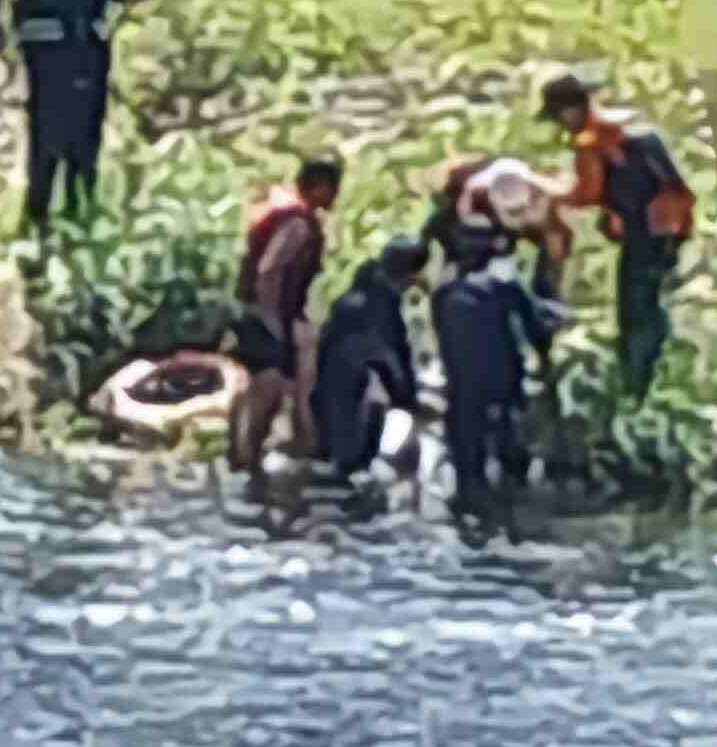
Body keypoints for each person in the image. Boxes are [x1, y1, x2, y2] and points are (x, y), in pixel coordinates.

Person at [0, 0, 150, 239]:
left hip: (90, 74)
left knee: (84, 155)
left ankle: (80, 223)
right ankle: (35, 227)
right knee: (43, 157)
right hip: (46, 82)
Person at [541, 71, 698, 396]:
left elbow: (586, 192)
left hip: (643, 233)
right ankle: (662, 371)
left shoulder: (592, 143)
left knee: (635, 311)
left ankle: (637, 382)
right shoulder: (634, 127)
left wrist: (550, 193)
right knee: (655, 301)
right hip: (672, 225)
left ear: (570, 112)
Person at [432, 225, 566, 520]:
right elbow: (538, 333)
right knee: (512, 470)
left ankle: (470, 517)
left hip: (463, 393)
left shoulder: (442, 295)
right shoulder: (506, 290)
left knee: (468, 477)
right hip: (504, 390)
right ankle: (509, 517)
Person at [226, 154, 343, 479]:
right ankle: (249, 461)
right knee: (270, 387)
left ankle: (243, 459)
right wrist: (274, 324)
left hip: (255, 312)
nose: (335, 197)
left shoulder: (286, 214)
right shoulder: (298, 223)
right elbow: (270, 271)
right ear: (319, 187)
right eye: (334, 188)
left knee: (259, 387)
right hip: (267, 317)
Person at [313, 236, 429, 487]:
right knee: (358, 439)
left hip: (334, 371)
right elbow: (390, 351)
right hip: (357, 373)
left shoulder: (361, 289)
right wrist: (407, 394)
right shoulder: (381, 302)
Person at [424, 151, 574, 302]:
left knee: (550, 248)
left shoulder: (542, 196)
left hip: (515, 203)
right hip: (473, 216)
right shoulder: (474, 194)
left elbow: (562, 237)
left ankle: (547, 296)